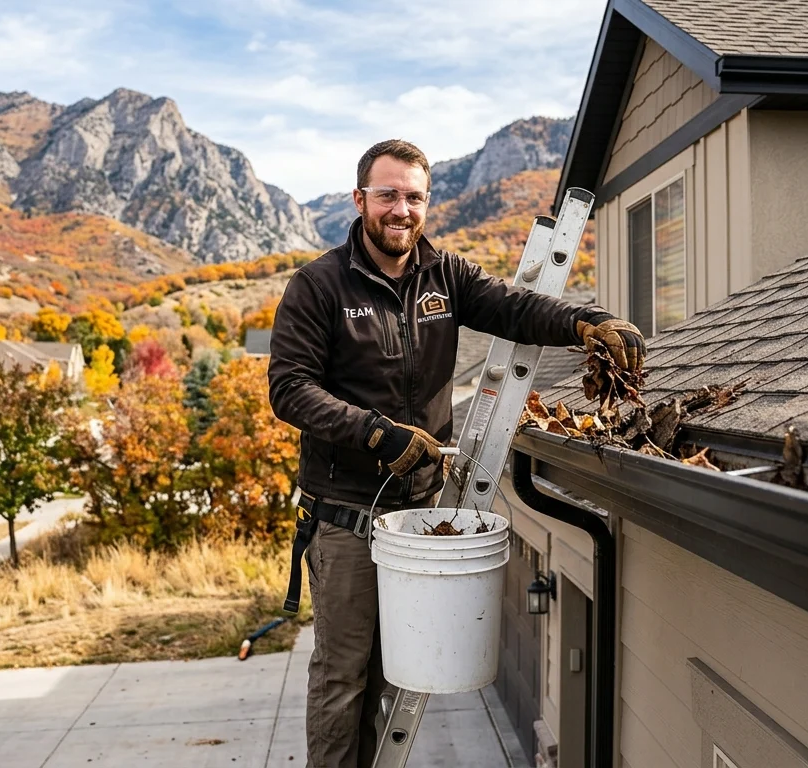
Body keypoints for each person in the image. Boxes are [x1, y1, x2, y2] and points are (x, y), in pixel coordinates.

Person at [267, 139, 644, 767]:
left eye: (414, 197)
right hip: (346, 519)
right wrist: (375, 433)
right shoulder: (319, 286)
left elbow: (516, 308)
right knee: (342, 680)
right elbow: (290, 389)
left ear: (427, 205)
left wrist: (588, 322)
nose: (401, 209)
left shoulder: (446, 277)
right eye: (387, 195)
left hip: (419, 518)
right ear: (359, 200)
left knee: (394, 677)